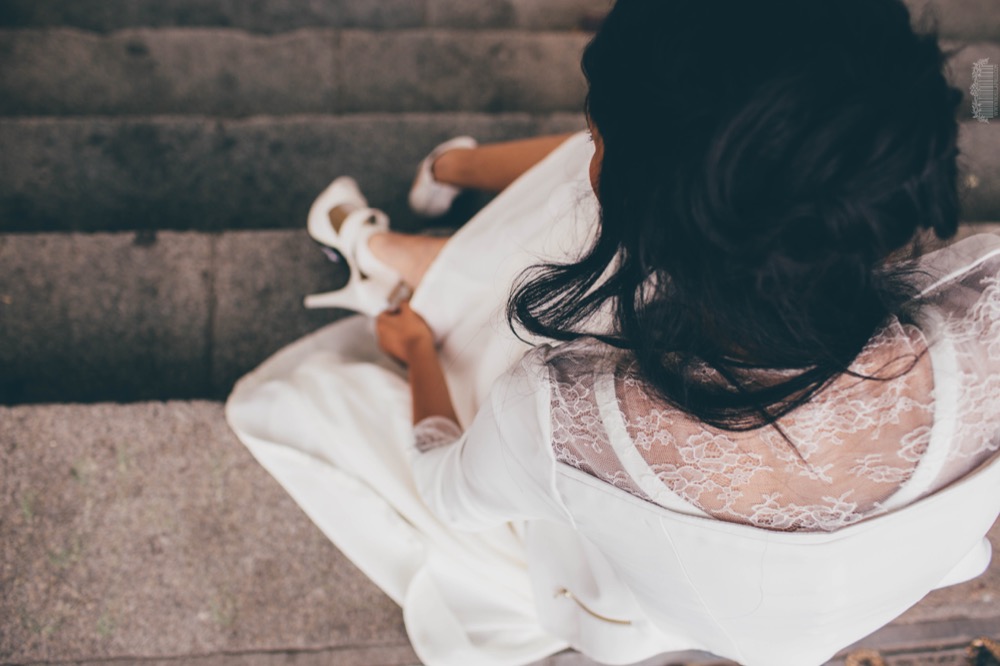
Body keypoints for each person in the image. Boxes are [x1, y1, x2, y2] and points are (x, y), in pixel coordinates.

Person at [226, 1, 1000, 664]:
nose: (595, 147)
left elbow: (447, 493)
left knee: (580, 195)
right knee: (607, 176)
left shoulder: (565, 411)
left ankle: (425, 223)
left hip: (622, 571)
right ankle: (439, 196)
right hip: (827, 587)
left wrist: (418, 351)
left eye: (600, 136)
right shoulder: (986, 315)